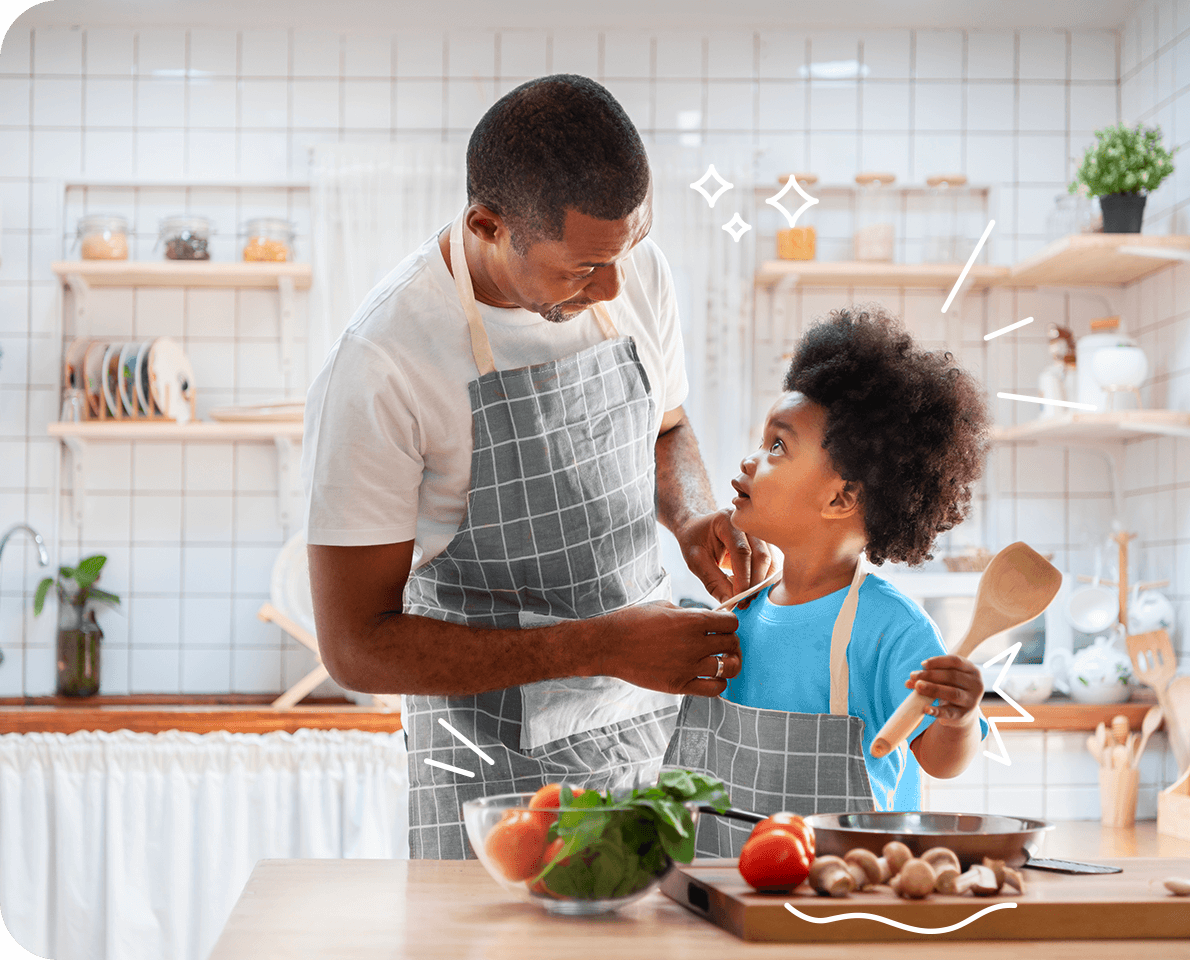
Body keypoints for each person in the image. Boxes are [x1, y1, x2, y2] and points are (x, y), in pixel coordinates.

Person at [302, 74, 771, 860]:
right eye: (582, 270)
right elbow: (354, 646)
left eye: (628, 250)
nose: (616, 284)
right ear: (490, 225)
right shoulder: (385, 363)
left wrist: (689, 515)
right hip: (487, 771)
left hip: (641, 722)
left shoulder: (629, 268)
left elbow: (670, 424)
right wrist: (599, 646)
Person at [663, 304, 992, 855]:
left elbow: (938, 759)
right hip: (720, 883)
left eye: (777, 447)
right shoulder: (739, 610)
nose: (750, 461)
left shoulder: (889, 627)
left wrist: (960, 717)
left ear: (841, 497)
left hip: (839, 892)